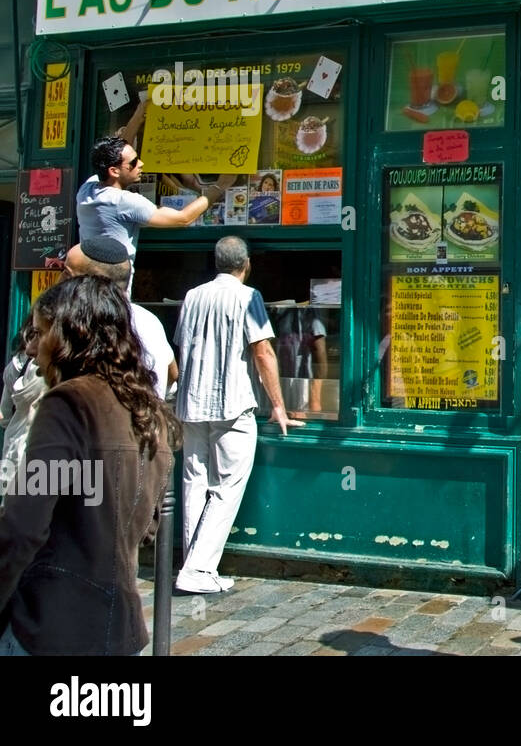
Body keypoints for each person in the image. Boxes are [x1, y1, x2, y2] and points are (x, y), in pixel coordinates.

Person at [0, 276, 176, 655]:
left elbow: (23, 525)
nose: (34, 350)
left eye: (41, 333)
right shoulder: (151, 411)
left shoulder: (68, 404)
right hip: (120, 628)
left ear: (69, 336)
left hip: (51, 623)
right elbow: (148, 526)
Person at [172, 236, 303, 594]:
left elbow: (183, 346)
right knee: (227, 486)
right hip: (232, 403)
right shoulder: (249, 297)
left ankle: (192, 563)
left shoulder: (193, 295)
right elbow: (263, 351)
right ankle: (198, 569)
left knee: (195, 482)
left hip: (192, 403)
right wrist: (278, 405)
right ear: (246, 265)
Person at [76, 136, 233, 294]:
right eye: (134, 162)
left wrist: (139, 113)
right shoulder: (123, 202)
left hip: (87, 288)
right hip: (113, 293)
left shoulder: (87, 188)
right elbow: (183, 218)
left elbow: (120, 147)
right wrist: (219, 187)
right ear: (114, 171)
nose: (141, 164)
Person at [63, 236, 176, 401]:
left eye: (66, 273)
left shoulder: (83, 321)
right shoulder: (149, 320)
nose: (60, 281)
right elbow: (173, 372)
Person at [0, 318, 45, 503]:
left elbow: (4, 416)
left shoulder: (15, 366)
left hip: (12, 455)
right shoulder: (52, 371)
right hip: (43, 461)